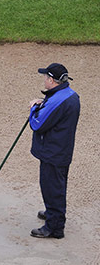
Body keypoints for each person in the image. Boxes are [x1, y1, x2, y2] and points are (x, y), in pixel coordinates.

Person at [28, 63, 80, 239]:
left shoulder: (57, 101)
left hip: (53, 153)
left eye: (45, 77)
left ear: (51, 80)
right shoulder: (70, 95)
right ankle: (53, 214)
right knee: (57, 186)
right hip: (62, 150)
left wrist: (34, 108)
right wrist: (44, 103)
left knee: (52, 188)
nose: (44, 79)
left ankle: (54, 228)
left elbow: (37, 124)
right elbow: (55, 110)